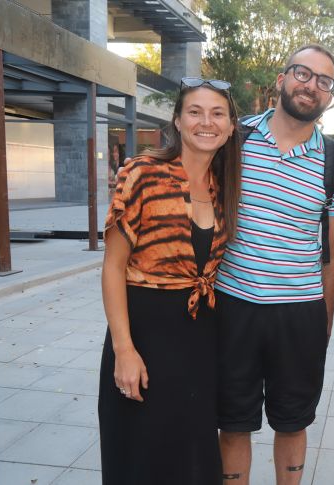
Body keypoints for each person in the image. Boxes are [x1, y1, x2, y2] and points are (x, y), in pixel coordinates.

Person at [214, 44, 334, 485]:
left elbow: (332, 251)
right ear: (281, 78)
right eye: (302, 73)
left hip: (300, 313)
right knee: (232, 420)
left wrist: (325, 323)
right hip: (232, 304)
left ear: (330, 94)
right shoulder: (233, 140)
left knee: (293, 422)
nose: (311, 85)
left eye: (324, 80)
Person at [98, 76, 242, 485]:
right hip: (144, 332)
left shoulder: (222, 187)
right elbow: (112, 267)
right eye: (194, 112)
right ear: (177, 121)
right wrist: (124, 350)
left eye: (217, 114)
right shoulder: (142, 172)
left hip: (199, 338)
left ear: (231, 127)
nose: (206, 122)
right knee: (140, 454)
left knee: (191, 456)